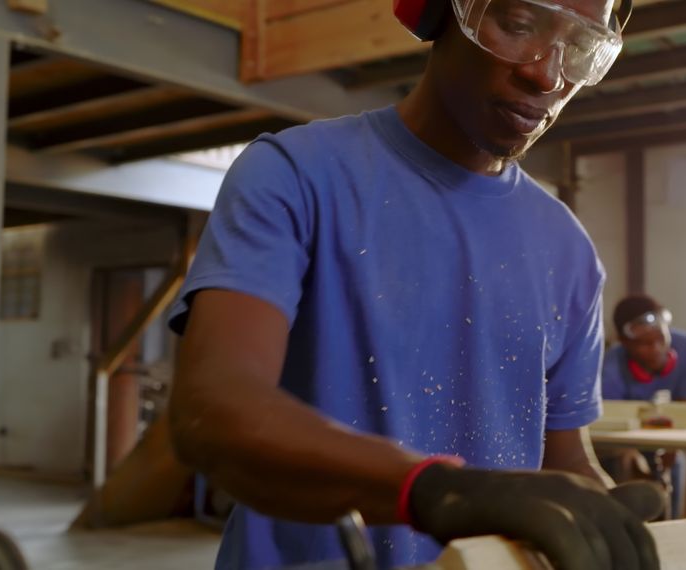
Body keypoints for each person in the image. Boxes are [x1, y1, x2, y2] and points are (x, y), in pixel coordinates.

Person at [164, 0, 661, 569]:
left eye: (580, 49)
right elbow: (214, 413)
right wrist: (434, 491)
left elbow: (562, 457)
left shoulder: (567, 249)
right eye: (519, 26)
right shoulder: (296, 175)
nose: (547, 74)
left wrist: (600, 517)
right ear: (437, 13)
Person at [600, 294, 686, 519]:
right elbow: (614, 427)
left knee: (676, 467)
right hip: (623, 442)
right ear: (623, 341)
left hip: (666, 432)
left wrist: (673, 447)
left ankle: (673, 526)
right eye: (644, 344)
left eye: (661, 339)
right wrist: (633, 459)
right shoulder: (611, 369)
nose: (656, 349)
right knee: (622, 474)